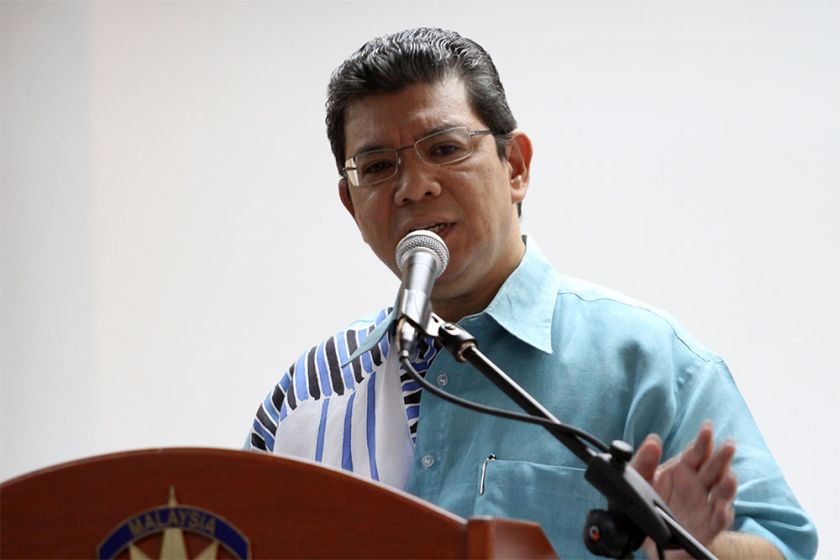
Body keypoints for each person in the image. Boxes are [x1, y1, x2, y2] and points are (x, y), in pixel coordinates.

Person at [247, 28, 817, 558]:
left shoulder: (651, 363)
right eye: (376, 166)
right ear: (351, 203)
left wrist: (682, 546)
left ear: (515, 166)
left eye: (445, 149)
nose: (413, 186)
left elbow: (781, 548)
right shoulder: (310, 393)